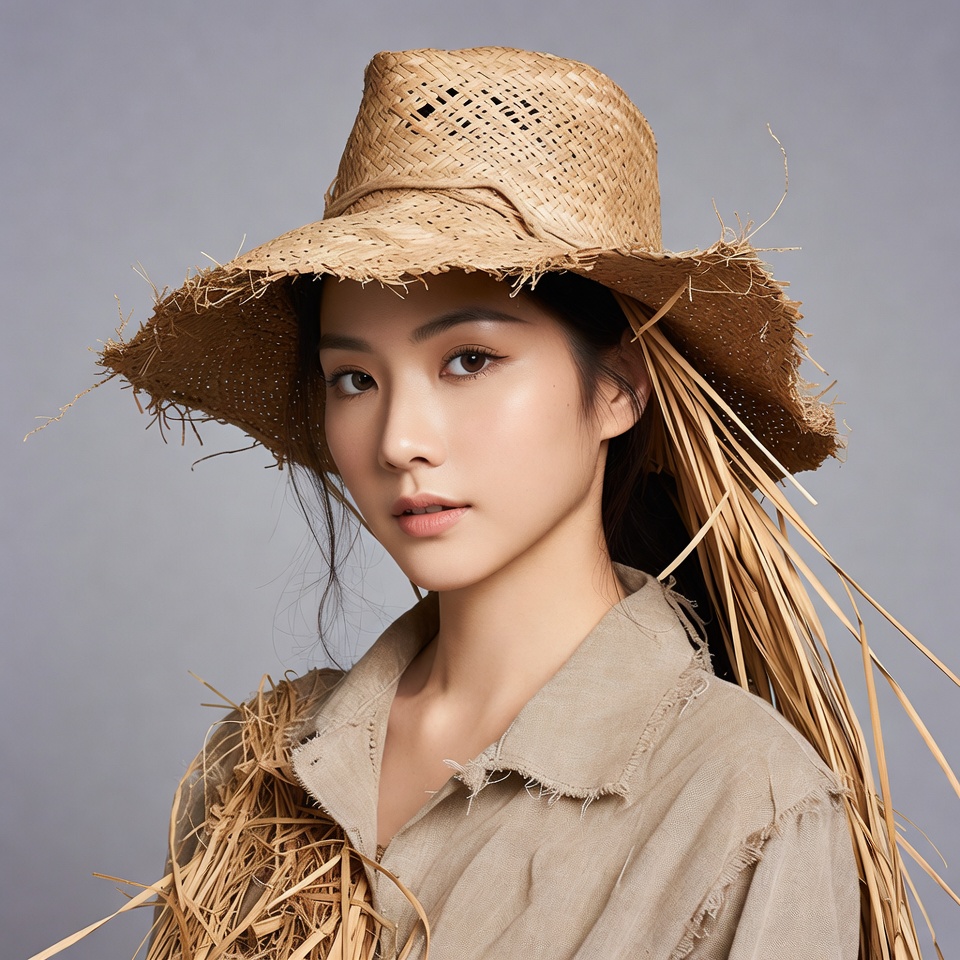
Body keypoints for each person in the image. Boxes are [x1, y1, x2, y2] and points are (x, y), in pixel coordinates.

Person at [44, 46, 953, 960]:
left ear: (618, 389)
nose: (398, 440)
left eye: (469, 360)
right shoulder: (256, 764)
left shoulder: (748, 805)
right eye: (354, 378)